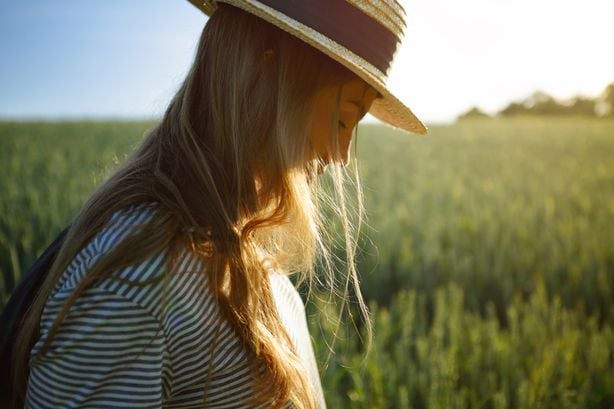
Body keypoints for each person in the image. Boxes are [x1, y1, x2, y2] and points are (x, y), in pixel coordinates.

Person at [9, 1, 426, 408]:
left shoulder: (247, 256)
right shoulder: (140, 282)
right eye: (343, 117)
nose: (342, 155)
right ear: (262, 75)